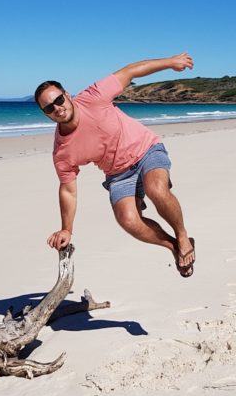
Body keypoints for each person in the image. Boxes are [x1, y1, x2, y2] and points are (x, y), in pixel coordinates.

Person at [35, 52, 196, 277]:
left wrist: (170, 62)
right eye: (49, 108)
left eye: (58, 100)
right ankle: (173, 246)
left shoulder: (94, 96)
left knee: (156, 189)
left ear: (66, 94)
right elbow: (68, 190)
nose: (57, 108)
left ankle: (182, 235)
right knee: (128, 220)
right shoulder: (63, 151)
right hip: (118, 174)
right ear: (45, 114)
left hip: (146, 150)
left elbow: (130, 71)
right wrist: (66, 228)